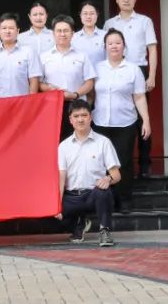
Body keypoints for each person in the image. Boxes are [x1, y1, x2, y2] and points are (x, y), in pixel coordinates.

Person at [103, 0, 159, 177]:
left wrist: (151, 75)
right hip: (115, 70)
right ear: (116, 0)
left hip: (139, 70)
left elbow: (152, 49)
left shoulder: (145, 21)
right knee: (117, 116)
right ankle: (116, 164)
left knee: (142, 118)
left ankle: (144, 163)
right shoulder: (109, 24)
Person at [92, 28, 150, 213]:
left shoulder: (133, 70)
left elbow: (139, 97)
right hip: (100, 123)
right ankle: (105, 200)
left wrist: (146, 121)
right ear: (105, 47)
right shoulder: (97, 68)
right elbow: (91, 94)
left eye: (118, 43)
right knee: (101, 163)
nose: (114, 46)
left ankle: (124, 199)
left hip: (125, 123)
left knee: (123, 162)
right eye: (110, 43)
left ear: (124, 46)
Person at [56, 100, 120, 247]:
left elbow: (117, 175)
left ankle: (104, 230)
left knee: (104, 192)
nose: (80, 119)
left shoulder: (103, 142)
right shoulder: (63, 146)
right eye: (76, 116)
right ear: (70, 120)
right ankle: (78, 225)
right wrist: (57, 204)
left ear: (90, 117)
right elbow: (61, 177)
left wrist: (108, 179)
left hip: (92, 195)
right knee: (50, 213)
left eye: (84, 115)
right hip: (71, 197)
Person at [39, 14, 97, 139]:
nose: (62, 34)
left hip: (77, 105)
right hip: (52, 106)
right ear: (53, 34)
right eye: (59, 31)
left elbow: (89, 82)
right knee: (54, 140)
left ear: (72, 33)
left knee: (79, 140)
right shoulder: (44, 57)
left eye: (66, 31)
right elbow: (38, 83)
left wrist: (75, 94)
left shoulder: (82, 55)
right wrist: (49, 89)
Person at [0, 12, 42, 99]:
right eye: (4, 28)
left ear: (18, 31)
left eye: (11, 28)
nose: (7, 31)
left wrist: (31, 102)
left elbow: (34, 80)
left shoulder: (28, 52)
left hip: (22, 102)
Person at [71, 1, 106, 67]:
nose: (88, 16)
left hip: (101, 73)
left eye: (92, 13)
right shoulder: (73, 37)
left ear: (97, 15)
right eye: (85, 13)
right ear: (80, 15)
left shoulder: (105, 36)